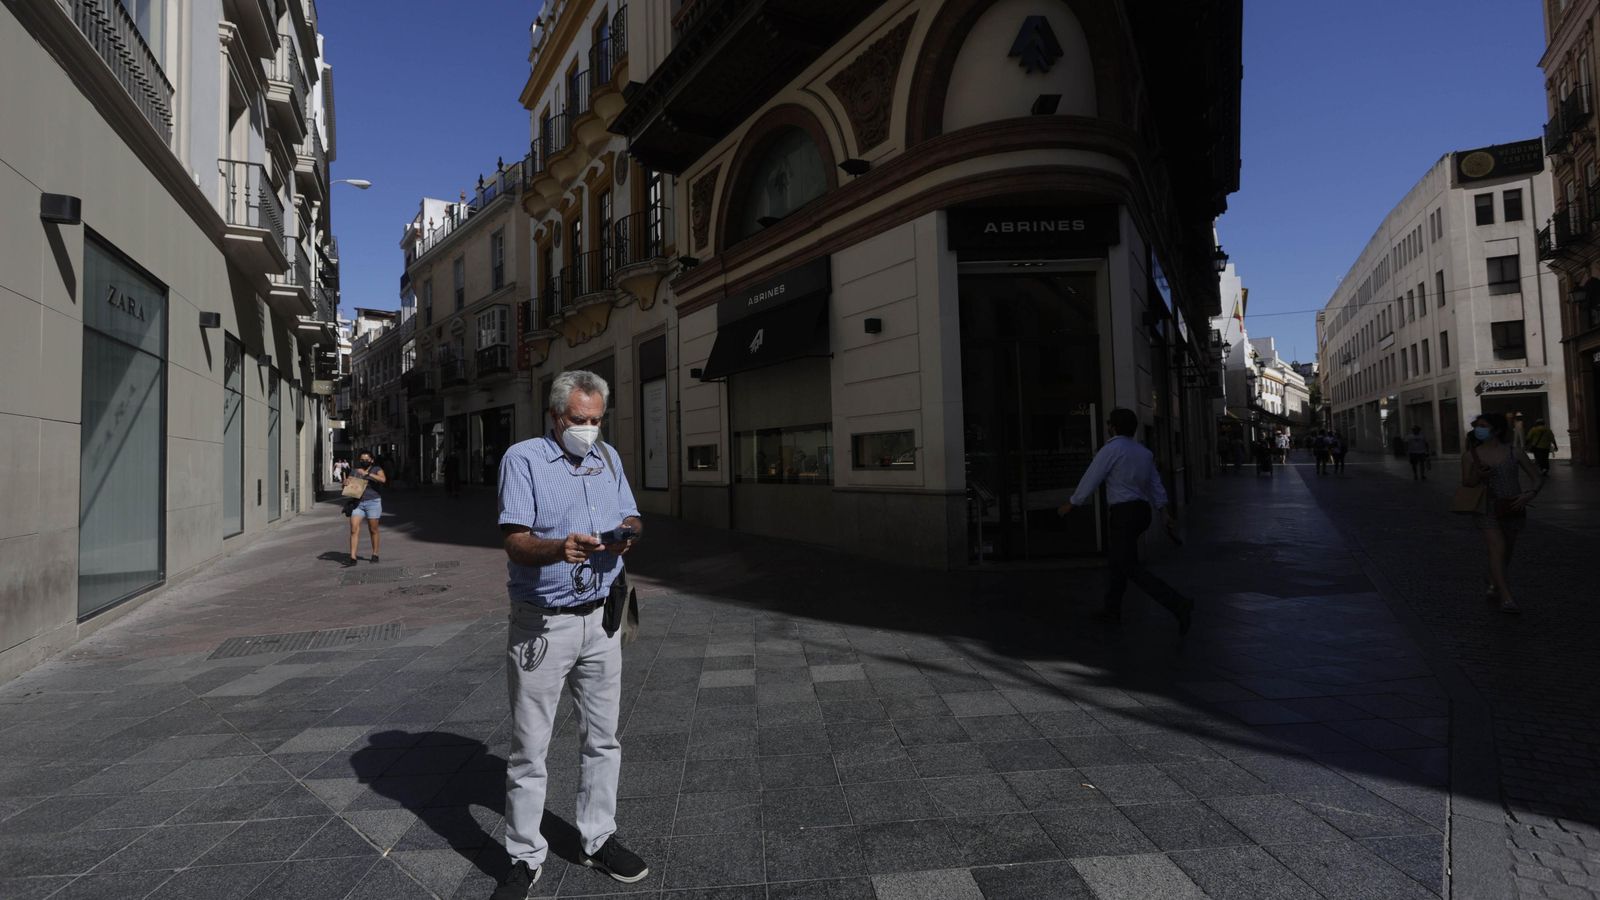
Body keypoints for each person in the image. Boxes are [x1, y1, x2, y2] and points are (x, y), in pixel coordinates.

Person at [492, 370, 648, 898]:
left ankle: (597, 839)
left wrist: (626, 536)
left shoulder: (607, 457)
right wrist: (559, 548)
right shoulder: (524, 460)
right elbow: (515, 541)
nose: (589, 430)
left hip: (602, 618)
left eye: (597, 420)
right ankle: (523, 854)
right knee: (529, 748)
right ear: (558, 417)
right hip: (544, 623)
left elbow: (631, 513)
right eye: (580, 420)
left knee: (603, 738)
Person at [1057, 408, 1193, 634]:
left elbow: (1091, 478)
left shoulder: (1110, 450)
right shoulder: (1143, 452)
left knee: (1128, 565)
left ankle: (1178, 603)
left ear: (1114, 427)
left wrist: (1072, 503)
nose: (1107, 426)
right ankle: (1112, 610)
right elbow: (1155, 485)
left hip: (1124, 513)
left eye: (1109, 423)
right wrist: (1164, 511)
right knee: (1118, 561)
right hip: (1142, 512)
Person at [1461, 412, 1544, 614]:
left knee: (1506, 551)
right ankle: (1507, 597)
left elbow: (1537, 477)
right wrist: (1479, 474)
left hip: (1513, 506)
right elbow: (1467, 483)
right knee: (1497, 548)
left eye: (1483, 426)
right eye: (1477, 426)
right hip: (1486, 509)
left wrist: (1529, 494)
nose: (1478, 429)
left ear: (1496, 430)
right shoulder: (1470, 455)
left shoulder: (1514, 452)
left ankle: (1493, 578)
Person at [344, 450, 385, 566]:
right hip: (358, 503)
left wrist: (367, 474)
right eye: (362, 460)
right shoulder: (355, 471)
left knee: (373, 529)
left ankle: (375, 553)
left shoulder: (377, 469)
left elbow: (383, 480)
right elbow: (349, 484)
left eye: (366, 460)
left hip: (373, 502)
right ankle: (352, 557)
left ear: (371, 460)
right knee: (353, 528)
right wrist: (346, 482)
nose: (364, 462)